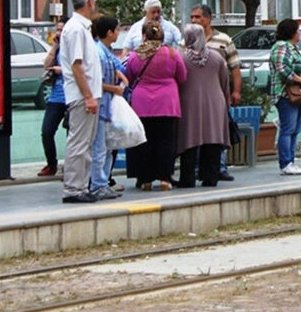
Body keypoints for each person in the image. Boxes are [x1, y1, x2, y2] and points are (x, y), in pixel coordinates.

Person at [125, 20, 187, 191]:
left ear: (144, 36)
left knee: (144, 142)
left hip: (142, 103)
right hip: (168, 102)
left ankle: (145, 179)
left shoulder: (135, 55)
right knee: (166, 141)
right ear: (162, 35)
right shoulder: (173, 54)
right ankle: (165, 178)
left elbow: (129, 78)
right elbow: (182, 77)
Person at [59, 0, 103, 203]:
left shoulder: (81, 27)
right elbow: (77, 65)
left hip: (86, 94)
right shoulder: (76, 29)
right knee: (79, 141)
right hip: (82, 95)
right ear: (89, 3)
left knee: (85, 142)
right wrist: (88, 95)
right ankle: (74, 188)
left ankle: (81, 185)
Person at [190, 4, 241, 182]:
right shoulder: (187, 41)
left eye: (198, 17)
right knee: (197, 131)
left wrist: (236, 91)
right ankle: (198, 168)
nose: (194, 21)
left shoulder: (224, 40)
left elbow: (234, 67)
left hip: (219, 93)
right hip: (195, 96)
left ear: (209, 18)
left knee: (219, 130)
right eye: (192, 17)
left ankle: (220, 167)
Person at [177, 24, 230, 188]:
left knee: (189, 141)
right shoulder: (216, 57)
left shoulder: (181, 58)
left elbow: (177, 81)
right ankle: (210, 177)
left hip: (189, 103)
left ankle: (187, 178)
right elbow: (224, 81)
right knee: (212, 140)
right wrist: (226, 102)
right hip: (215, 102)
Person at [89, 16, 128, 200]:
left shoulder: (106, 52)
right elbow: (96, 82)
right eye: (117, 30)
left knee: (105, 147)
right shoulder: (98, 53)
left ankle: (102, 183)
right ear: (109, 32)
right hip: (101, 104)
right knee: (99, 148)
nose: (118, 33)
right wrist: (115, 88)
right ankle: (97, 184)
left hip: (106, 105)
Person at [269, 19, 301, 176]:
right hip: (286, 94)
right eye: (298, 30)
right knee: (287, 129)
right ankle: (285, 162)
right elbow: (282, 68)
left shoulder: (292, 48)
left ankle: (291, 160)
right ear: (292, 32)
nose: (299, 33)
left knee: (294, 129)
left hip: (296, 95)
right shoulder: (282, 47)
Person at [38, 17, 68, 177]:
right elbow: (46, 64)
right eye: (58, 29)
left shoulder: (73, 47)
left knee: (72, 134)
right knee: (47, 131)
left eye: (62, 30)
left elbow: (80, 69)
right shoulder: (57, 48)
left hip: (71, 96)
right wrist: (55, 45)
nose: (59, 33)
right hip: (56, 96)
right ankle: (51, 164)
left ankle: (70, 165)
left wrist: (61, 70)